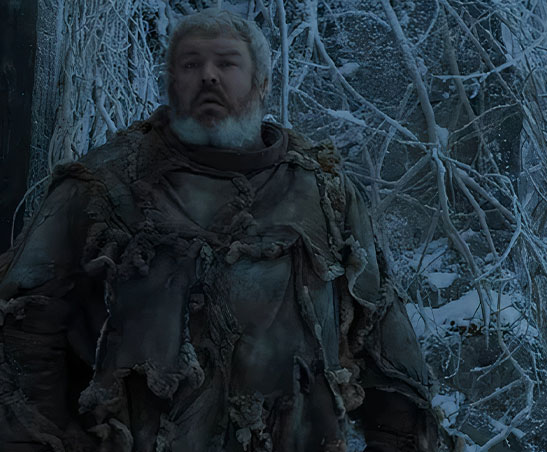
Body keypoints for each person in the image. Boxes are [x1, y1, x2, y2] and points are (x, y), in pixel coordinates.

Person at [0, 8, 443, 452]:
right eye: (191, 64)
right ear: (170, 82)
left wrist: (400, 438)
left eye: (227, 63)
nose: (208, 76)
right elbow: (24, 326)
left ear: (262, 83)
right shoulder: (103, 187)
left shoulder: (323, 192)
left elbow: (380, 334)